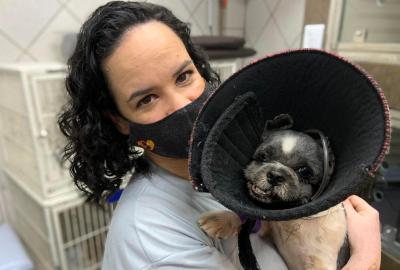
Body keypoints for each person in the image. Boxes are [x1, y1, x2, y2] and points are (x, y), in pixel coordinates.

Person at [57, 1, 381, 269]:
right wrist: (365, 257)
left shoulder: (227, 164)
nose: (182, 104)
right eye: (147, 99)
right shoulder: (152, 238)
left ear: (200, 68)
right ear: (119, 121)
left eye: (183, 76)